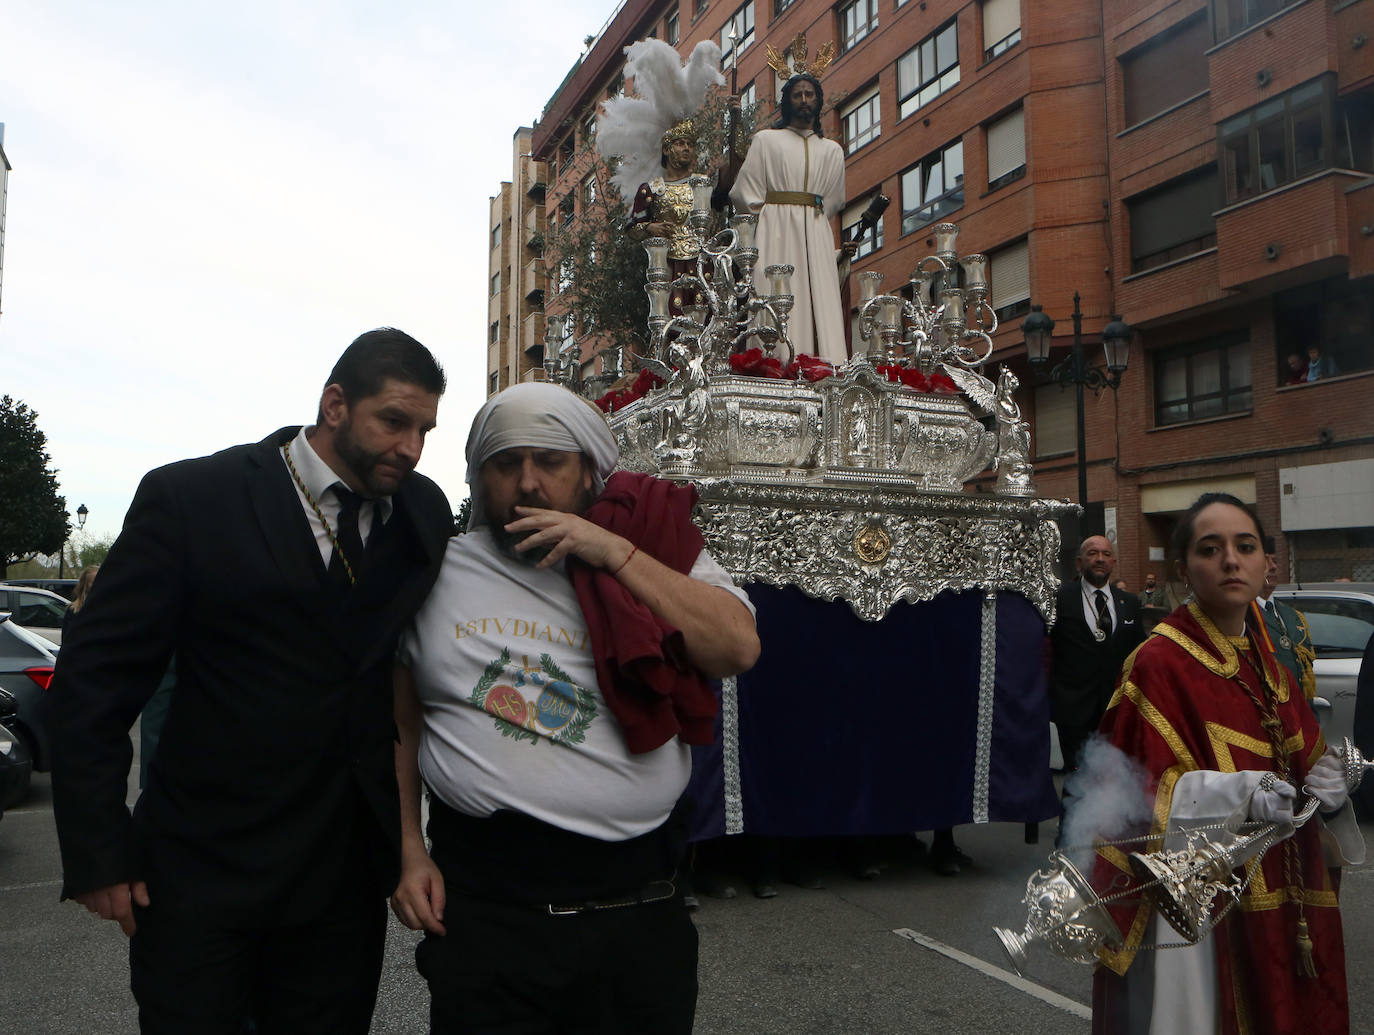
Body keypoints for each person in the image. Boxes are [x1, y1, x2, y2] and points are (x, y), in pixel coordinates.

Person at [49, 328, 454, 1034]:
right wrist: (99, 852)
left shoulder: (422, 512)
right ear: (335, 404)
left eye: (424, 430)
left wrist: (404, 845)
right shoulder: (193, 498)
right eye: (394, 421)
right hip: (202, 870)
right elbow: (95, 680)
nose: (411, 447)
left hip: (340, 885)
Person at [390, 382, 760, 1034]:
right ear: (479, 477)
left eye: (550, 462)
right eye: (506, 463)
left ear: (590, 470)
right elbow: (400, 722)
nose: (528, 482)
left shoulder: (654, 544)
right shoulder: (435, 571)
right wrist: (407, 850)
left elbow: (735, 647)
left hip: (639, 915)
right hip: (492, 918)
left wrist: (611, 551)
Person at [1091, 493, 1362, 1034]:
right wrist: (1235, 796)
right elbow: (1132, 799)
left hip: (1284, 894)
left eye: (1245, 546)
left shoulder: (1270, 663)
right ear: (1183, 569)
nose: (1231, 561)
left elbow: (1304, 764)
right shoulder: (1158, 663)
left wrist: (1330, 788)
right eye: (1210, 549)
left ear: (1266, 565)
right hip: (1207, 905)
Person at [730, 72, 859, 364]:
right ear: (787, 101)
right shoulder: (766, 141)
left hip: (816, 229)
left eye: (809, 94)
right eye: (797, 94)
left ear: (818, 101)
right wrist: (773, 217)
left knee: (819, 299)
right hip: (775, 230)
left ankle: (826, 364)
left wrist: (808, 219)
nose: (803, 100)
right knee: (773, 293)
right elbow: (744, 193)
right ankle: (774, 363)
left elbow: (834, 200)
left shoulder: (832, 151)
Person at [1048, 536, 1145, 776]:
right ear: (1079, 562)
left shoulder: (1130, 602)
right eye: (1092, 553)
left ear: (1113, 562)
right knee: (1078, 779)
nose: (1100, 559)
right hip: (1073, 709)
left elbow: (1139, 651)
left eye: (1106, 554)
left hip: (1116, 709)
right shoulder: (1059, 598)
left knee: (1113, 778)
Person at [1257, 535, 1316, 701]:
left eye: (1275, 561)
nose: (1273, 567)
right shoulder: (1242, 616)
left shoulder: (1292, 616)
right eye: (1265, 562)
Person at [59, 564, 100, 637]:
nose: (98, 585)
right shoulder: (73, 611)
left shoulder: (109, 609)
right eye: (94, 582)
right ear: (85, 585)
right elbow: (67, 639)